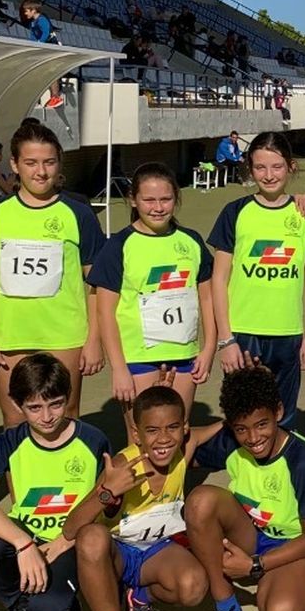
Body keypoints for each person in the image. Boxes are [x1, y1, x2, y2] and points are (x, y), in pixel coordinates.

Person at [63, 385, 211, 611]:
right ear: (136, 432)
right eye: (152, 430)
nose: (163, 438)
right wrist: (108, 491)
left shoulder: (186, 445)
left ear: (184, 428)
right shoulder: (121, 465)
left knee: (194, 588)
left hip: (156, 551)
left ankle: (139, 596)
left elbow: (224, 427)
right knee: (91, 537)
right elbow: (71, 528)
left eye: (173, 427)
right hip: (116, 554)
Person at [0, 353, 109, 611]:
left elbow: (104, 504)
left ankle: (60, 600)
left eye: (55, 404)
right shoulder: (8, 442)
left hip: (69, 539)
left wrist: (63, 542)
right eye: (34, 407)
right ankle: (17, 605)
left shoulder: (93, 440)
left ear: (68, 398)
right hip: (27, 537)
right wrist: (24, 544)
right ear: (17, 406)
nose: (46, 416)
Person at [184, 364, 305, 611]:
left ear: (278, 411)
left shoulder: (303, 461)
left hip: (293, 545)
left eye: (262, 424)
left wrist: (255, 565)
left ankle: (302, 579)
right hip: (248, 535)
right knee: (199, 502)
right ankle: (227, 610)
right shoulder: (233, 441)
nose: (252, 437)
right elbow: (184, 441)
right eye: (241, 429)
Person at [0, 122, 106, 427]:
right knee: (15, 420)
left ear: (59, 164)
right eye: (30, 163)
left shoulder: (78, 213)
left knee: (65, 418)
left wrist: (94, 339)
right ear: (14, 165)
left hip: (65, 336)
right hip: (10, 338)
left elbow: (98, 283)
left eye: (49, 162)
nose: (40, 172)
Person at [209, 131, 305, 424]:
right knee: (243, 416)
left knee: (283, 414)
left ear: (290, 167)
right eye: (260, 167)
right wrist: (226, 339)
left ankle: (280, 468)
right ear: (250, 167)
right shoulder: (235, 212)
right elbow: (219, 280)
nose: (269, 175)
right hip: (243, 332)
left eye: (276, 167)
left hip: (288, 333)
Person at [92, 162, 217, 421]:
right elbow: (105, 312)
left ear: (176, 198)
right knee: (141, 436)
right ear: (133, 200)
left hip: (185, 356)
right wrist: (119, 368)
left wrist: (208, 349)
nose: (158, 208)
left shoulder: (191, 241)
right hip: (138, 358)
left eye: (166, 199)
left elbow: (207, 298)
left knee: (177, 430)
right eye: (148, 200)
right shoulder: (118, 246)